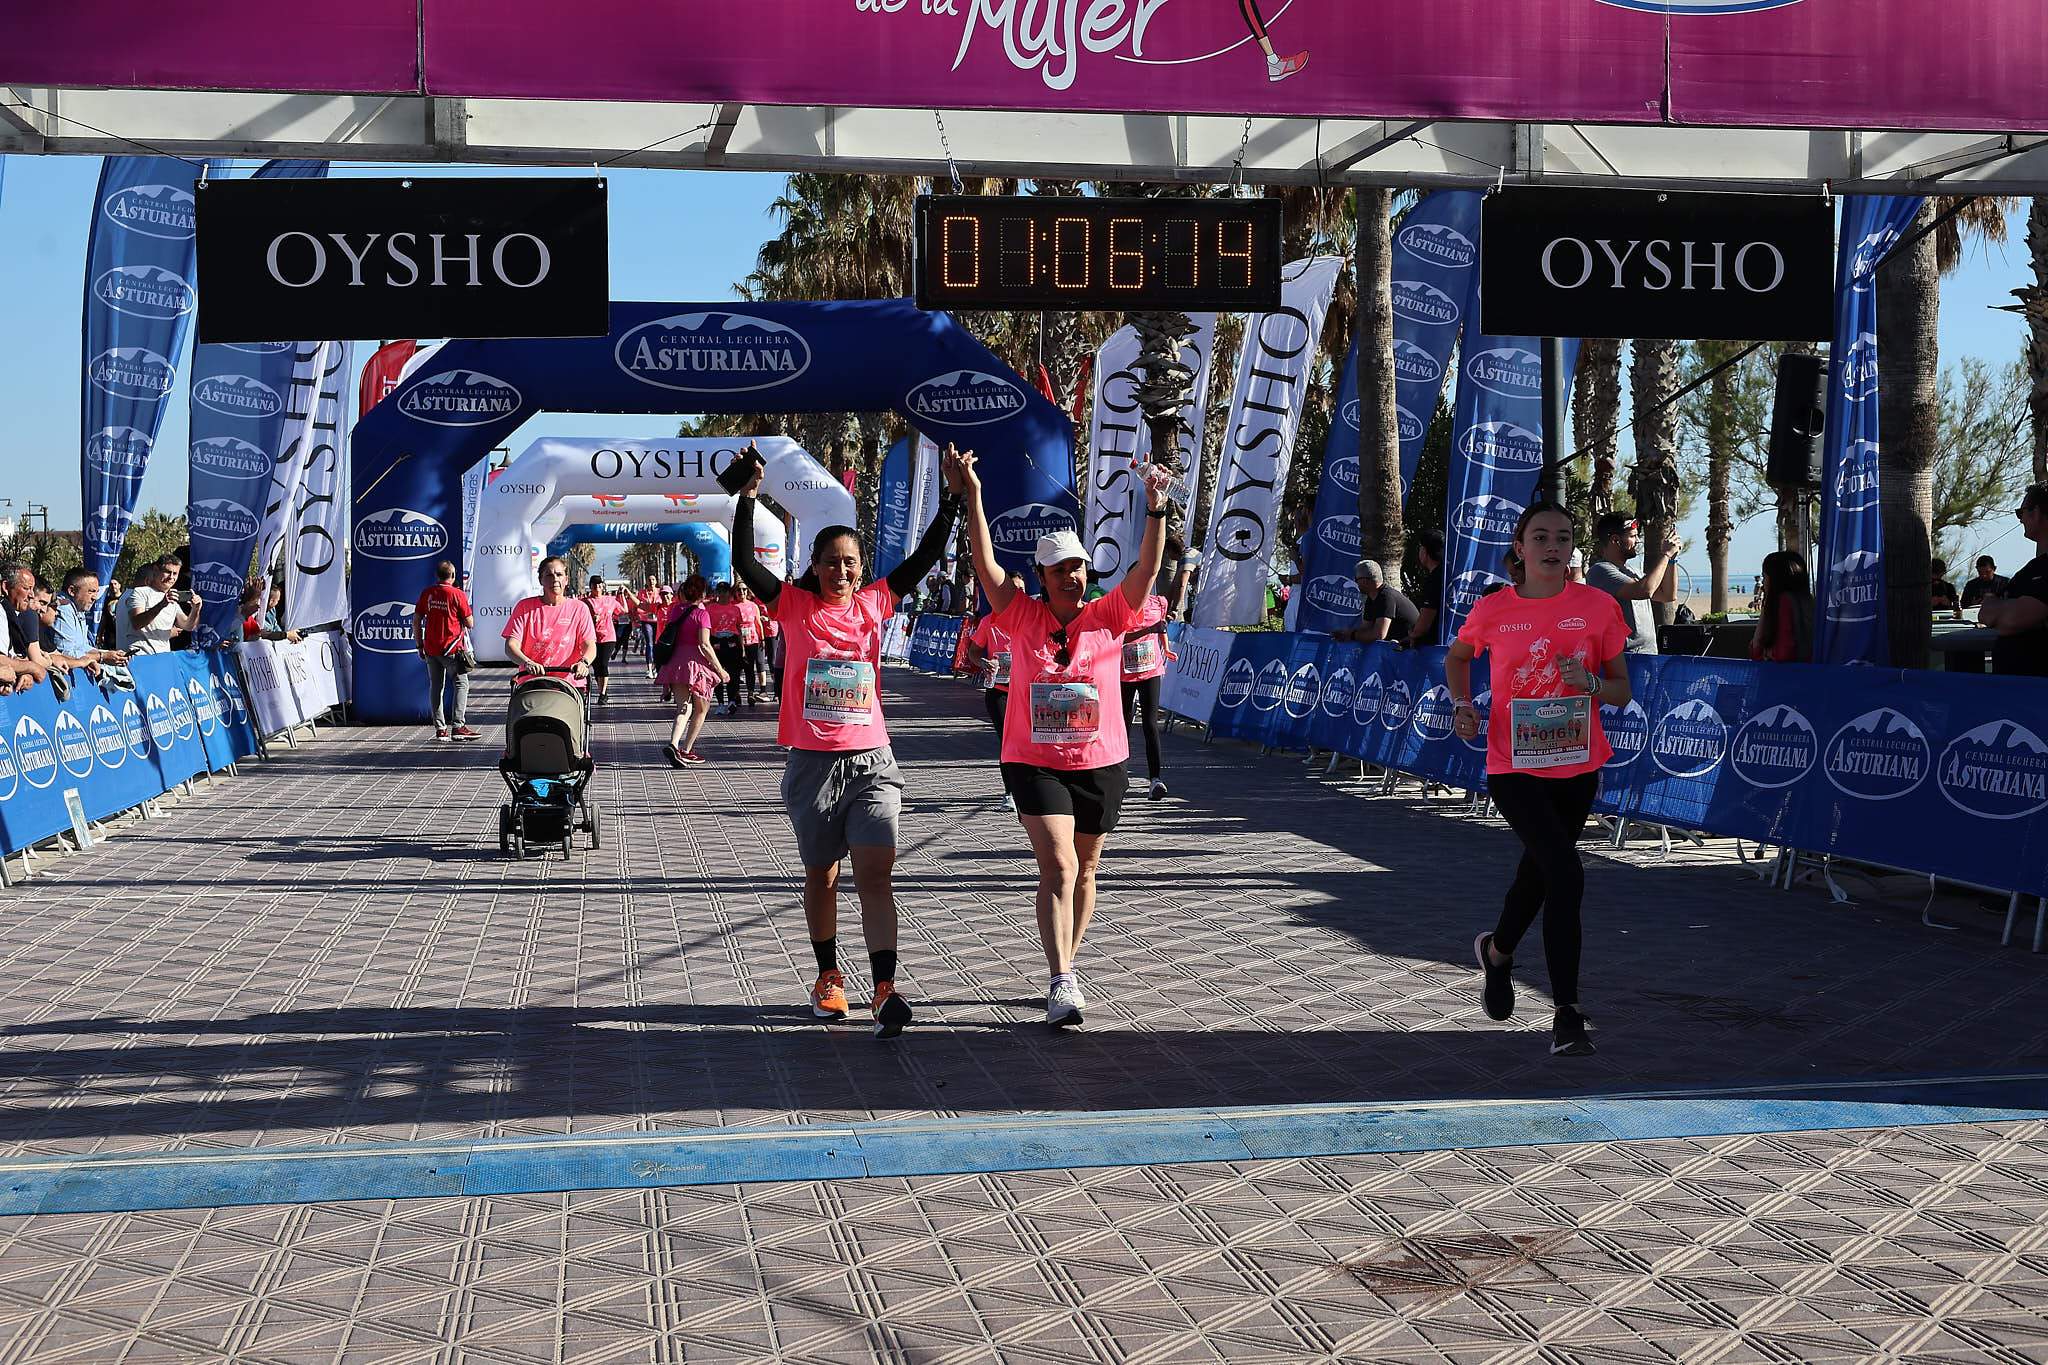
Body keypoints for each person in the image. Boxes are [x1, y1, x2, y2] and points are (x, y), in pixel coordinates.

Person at [730, 446, 963, 1040]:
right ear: (814, 566)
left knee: (875, 870)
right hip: (811, 763)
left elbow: (922, 559)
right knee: (823, 877)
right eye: (832, 562)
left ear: (862, 569)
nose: (842, 572)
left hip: (870, 758)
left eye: (851, 563)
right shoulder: (794, 606)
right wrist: (749, 496)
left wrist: (955, 501)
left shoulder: (874, 604)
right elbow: (745, 563)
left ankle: (886, 987)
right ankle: (829, 977)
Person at [955, 446, 1172, 1029]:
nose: (1071, 577)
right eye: (1059, 570)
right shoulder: (1020, 615)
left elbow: (1147, 571)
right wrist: (972, 494)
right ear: (1044, 576)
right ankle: (1062, 979)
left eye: (1077, 567)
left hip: (1101, 760)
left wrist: (1156, 509)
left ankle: (1066, 963)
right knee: (1057, 865)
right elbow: (984, 562)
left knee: (1087, 866)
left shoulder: (1109, 614)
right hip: (1034, 761)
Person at [1447, 502, 1632, 1059]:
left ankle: (1498, 952)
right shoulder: (1494, 610)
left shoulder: (1598, 607)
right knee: (1565, 873)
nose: (1554, 546)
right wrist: (1462, 704)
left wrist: (1591, 684)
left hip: (1577, 767)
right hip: (1514, 767)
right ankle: (1568, 1013)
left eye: (1564, 537)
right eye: (1542, 537)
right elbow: (1458, 658)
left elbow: (1622, 688)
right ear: (1520, 548)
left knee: (1538, 874)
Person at [1120, 542, 1188, 800]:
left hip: (1150, 669)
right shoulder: (1120, 605)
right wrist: (1148, 631)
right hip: (1124, 672)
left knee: (1150, 724)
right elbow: (1121, 637)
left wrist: (1166, 648)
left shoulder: (1158, 602)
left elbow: (1160, 628)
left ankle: (1155, 779)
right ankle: (1120, 775)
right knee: (1123, 724)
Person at [963, 573, 1026, 811]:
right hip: (999, 689)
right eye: (1014, 589)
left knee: (1027, 741)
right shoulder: (989, 621)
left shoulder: (1033, 619)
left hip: (1025, 691)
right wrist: (984, 663)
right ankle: (1010, 792)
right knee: (1007, 741)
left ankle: (1028, 787)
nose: (1018, 594)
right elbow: (973, 653)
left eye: (1022, 589)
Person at [1585, 512, 1679, 655]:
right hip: (1626, 658)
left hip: (1648, 655)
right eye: (1632, 536)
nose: (1637, 541)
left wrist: (1672, 560)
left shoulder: (1634, 572)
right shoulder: (1600, 571)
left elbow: (1667, 595)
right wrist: (1665, 555)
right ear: (1615, 540)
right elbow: (1645, 591)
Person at [655, 574, 725, 765]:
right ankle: (686, 749)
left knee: (683, 708)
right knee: (701, 709)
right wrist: (720, 670)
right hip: (696, 665)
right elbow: (705, 645)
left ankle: (673, 743)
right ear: (702, 593)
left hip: (675, 664)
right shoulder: (702, 615)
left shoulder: (676, 611)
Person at [1981, 484, 2048, 676]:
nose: (2020, 520)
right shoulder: (2031, 569)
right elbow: (1985, 613)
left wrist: (2000, 608)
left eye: (2021, 513)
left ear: (2035, 512)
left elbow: (2011, 620)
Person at [503, 556, 595, 687]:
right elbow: (511, 645)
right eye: (549, 575)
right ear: (541, 580)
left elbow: (589, 644)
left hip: (569, 684)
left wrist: (584, 663)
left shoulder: (579, 609)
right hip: (533, 682)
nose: (555, 579)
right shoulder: (524, 607)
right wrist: (527, 662)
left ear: (566, 579)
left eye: (559, 574)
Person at [414, 560, 479, 741]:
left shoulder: (428, 593)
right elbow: (470, 623)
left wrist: (419, 644)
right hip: (452, 649)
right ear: (453, 576)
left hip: (431, 649)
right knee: (461, 684)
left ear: (437, 575)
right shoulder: (457, 594)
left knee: (436, 687)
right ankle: (458, 726)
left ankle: (440, 729)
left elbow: (416, 619)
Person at [47, 568, 128, 673]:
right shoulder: (63, 608)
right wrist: (102, 656)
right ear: (72, 591)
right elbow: (66, 653)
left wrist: (111, 654)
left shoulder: (78, 608)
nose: (95, 597)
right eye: (91, 592)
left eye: (96, 592)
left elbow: (82, 646)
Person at [115, 559, 201, 656]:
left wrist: (196, 609)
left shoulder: (172, 599)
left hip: (163, 657)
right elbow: (137, 623)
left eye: (175, 573)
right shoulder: (139, 592)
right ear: (156, 570)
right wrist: (161, 604)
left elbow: (188, 626)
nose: (171, 577)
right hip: (141, 656)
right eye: (168, 572)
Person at [1749, 550, 1814, 664]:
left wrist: (1766, 653)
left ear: (1774, 579)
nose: (1763, 583)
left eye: (1765, 577)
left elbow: (1758, 650)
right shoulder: (1808, 601)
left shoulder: (1784, 601)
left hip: (1785, 676)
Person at [1334, 558, 1418, 645]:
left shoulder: (1386, 597)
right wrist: (1345, 633)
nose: (1356, 583)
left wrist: (1352, 636)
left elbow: (1379, 634)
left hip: (1412, 650)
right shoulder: (1371, 598)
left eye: (1357, 579)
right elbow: (1366, 629)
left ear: (1365, 581)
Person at [583, 575, 627, 704]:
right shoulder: (585, 602)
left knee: (603, 664)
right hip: (592, 638)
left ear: (603, 586)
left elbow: (623, 610)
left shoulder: (610, 600)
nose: (597, 587)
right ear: (590, 586)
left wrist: (622, 595)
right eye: (594, 585)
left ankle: (602, 694)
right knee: (596, 667)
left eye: (599, 584)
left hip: (608, 637)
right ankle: (603, 689)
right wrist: (591, 619)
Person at [1409, 529, 1446, 648]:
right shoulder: (1447, 574)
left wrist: (1413, 635)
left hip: (1433, 648)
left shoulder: (1435, 578)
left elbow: (1427, 616)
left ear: (1425, 551)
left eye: (1420, 547)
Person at [735, 583, 767, 705]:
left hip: (752, 640)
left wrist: (762, 639)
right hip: (738, 641)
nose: (741, 592)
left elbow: (758, 623)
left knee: (750, 669)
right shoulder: (733, 606)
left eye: (744, 589)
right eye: (739, 590)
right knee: (737, 669)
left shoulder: (753, 606)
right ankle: (736, 694)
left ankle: (750, 693)